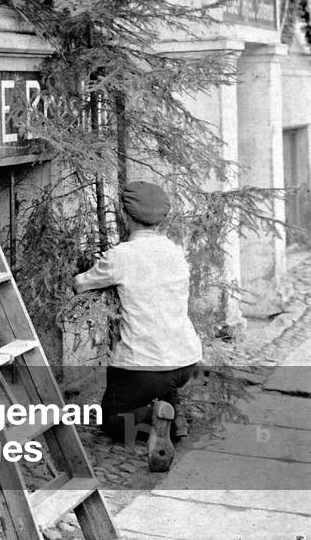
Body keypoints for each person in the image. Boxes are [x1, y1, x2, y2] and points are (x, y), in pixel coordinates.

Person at [73, 180, 202, 472]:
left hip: (142, 367)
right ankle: (173, 411)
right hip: (185, 360)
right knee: (164, 372)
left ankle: (152, 415)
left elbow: (81, 284)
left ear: (124, 215)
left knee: (114, 421)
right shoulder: (175, 251)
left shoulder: (121, 256)